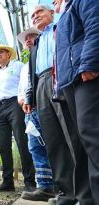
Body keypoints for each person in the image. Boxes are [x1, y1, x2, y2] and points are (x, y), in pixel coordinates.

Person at [24, 4, 93, 204]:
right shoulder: (35, 44)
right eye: (33, 15)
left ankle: (84, 193)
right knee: (53, 140)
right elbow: (32, 73)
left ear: (51, 13)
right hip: (41, 86)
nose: (36, 16)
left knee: (72, 136)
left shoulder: (60, 27)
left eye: (40, 12)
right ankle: (66, 193)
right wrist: (31, 97)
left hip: (61, 77)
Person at [54, 0, 99, 203]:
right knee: (82, 140)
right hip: (71, 80)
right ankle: (88, 198)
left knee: (92, 135)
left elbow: (95, 23)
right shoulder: (65, 12)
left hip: (85, 74)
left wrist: (91, 61)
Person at [0, 45, 35, 192]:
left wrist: (25, 100)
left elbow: (24, 83)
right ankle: (7, 182)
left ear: (9, 54)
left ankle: (29, 181)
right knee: (3, 145)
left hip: (15, 104)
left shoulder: (18, 66)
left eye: (1, 52)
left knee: (22, 141)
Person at [17, 28, 55, 201]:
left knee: (51, 144)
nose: (29, 40)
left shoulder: (44, 58)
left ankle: (59, 185)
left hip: (43, 105)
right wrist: (24, 100)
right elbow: (22, 89)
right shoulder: (26, 66)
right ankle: (45, 185)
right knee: (35, 147)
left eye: (32, 36)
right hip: (29, 110)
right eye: (26, 39)